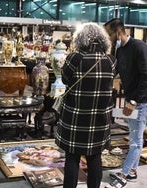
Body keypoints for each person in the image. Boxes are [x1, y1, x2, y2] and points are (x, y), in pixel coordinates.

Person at [55, 22, 116, 188]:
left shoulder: (75, 58)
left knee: (72, 158)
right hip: (99, 121)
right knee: (95, 158)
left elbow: (65, 80)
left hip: (75, 119)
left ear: (80, 39)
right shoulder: (110, 60)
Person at [104, 18, 147, 188]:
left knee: (136, 141)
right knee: (133, 138)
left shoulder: (139, 47)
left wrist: (134, 101)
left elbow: (146, 76)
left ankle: (123, 175)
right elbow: (116, 72)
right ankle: (132, 171)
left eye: (109, 34)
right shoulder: (120, 51)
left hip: (141, 101)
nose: (108, 38)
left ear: (118, 32)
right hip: (131, 100)